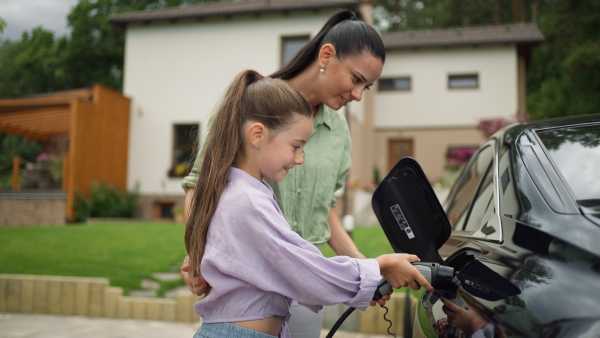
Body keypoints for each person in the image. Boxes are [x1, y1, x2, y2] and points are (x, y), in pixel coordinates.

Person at [181, 9, 388, 337]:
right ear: (327, 55)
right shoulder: (250, 104)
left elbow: (325, 210)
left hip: (309, 280)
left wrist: (365, 269)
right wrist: (199, 252)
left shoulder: (339, 131)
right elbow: (200, 187)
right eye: (356, 79)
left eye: (368, 87)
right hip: (251, 285)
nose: (358, 95)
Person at [185, 68, 434, 338]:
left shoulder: (244, 192)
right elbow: (305, 270)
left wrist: (364, 276)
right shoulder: (248, 201)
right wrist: (380, 266)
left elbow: (297, 264)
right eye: (296, 146)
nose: (300, 158)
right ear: (257, 135)